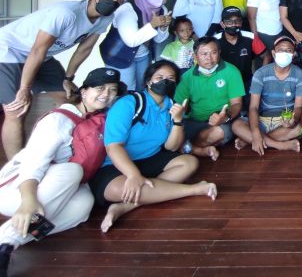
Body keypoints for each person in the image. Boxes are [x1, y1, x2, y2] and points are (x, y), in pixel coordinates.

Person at [0, 68, 121, 273]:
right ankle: (6, 243)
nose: (106, 94)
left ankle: (8, 242)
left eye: (112, 89)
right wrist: (29, 201)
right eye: (100, 88)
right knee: (73, 171)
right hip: (19, 190)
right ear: (83, 92)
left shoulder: (99, 120)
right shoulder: (58, 120)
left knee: (83, 206)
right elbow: (33, 163)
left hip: (53, 194)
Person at [0, 0, 128, 158]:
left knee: (71, 100)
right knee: (17, 109)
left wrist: (68, 78)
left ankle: (72, 149)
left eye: (119, 1)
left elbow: (85, 48)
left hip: (43, 56)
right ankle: (17, 167)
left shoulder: (105, 18)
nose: (114, 3)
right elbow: (38, 49)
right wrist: (24, 88)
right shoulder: (66, 13)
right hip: (9, 51)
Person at [90, 60, 217, 233]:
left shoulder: (171, 106)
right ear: (148, 81)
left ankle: (125, 207)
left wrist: (178, 120)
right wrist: (133, 175)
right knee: (117, 189)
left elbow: (171, 147)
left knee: (189, 162)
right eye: (159, 77)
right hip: (116, 164)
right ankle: (194, 189)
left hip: (149, 158)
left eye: (171, 78)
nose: (165, 82)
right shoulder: (129, 103)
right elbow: (114, 147)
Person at [173, 37, 245, 161]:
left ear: (219, 52)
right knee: (175, 131)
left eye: (213, 52)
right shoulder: (187, 77)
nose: (209, 57)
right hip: (195, 121)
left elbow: (237, 103)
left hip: (221, 122)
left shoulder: (231, 71)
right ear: (195, 56)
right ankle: (197, 149)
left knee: (219, 132)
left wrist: (225, 117)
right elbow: (178, 105)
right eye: (204, 54)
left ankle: (187, 148)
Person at [231, 36, 302, 154]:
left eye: (288, 50)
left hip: (284, 121)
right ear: (274, 53)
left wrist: (293, 119)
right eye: (280, 50)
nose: (284, 53)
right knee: (236, 124)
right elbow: (253, 107)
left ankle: (250, 140)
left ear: (294, 54)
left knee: (300, 127)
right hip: (262, 120)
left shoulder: (301, 75)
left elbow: (298, 107)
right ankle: (279, 145)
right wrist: (256, 131)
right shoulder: (261, 73)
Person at [100, 0, 172, 91]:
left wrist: (163, 27)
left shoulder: (162, 9)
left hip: (143, 55)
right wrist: (152, 25)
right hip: (119, 55)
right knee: (125, 91)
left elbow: (158, 39)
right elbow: (131, 41)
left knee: (142, 88)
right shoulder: (127, 8)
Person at [212, 7, 264, 90]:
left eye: (237, 21)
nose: (234, 24)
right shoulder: (214, 40)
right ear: (222, 24)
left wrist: (261, 75)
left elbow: (266, 56)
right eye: (229, 22)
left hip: (246, 81)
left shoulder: (250, 37)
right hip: (222, 82)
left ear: (241, 22)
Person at [246, 0, 283, 64]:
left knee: (278, 61)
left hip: (278, 32)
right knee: (264, 61)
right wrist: (255, 36)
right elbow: (251, 17)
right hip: (263, 34)